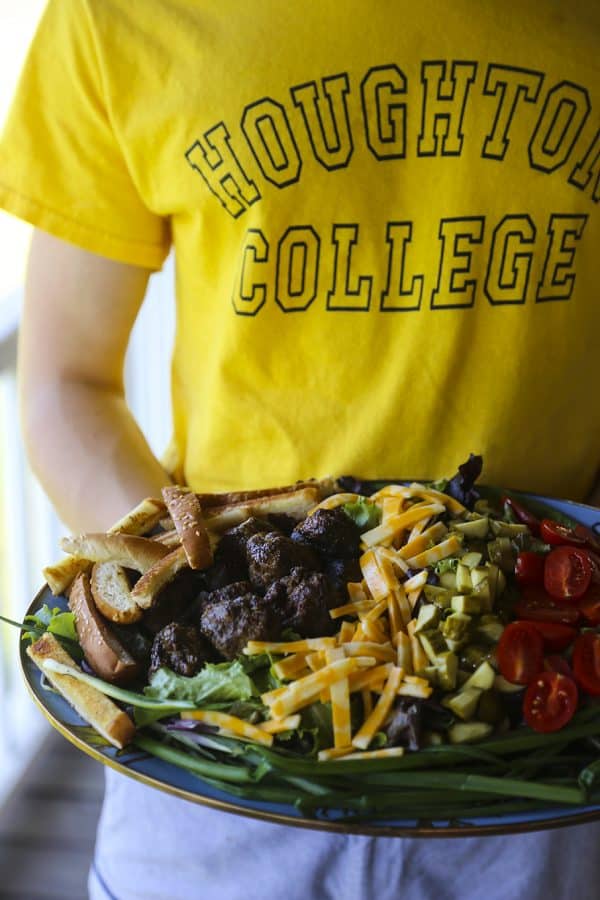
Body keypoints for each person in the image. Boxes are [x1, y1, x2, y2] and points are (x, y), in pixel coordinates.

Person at [1, 1, 599, 898]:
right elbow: (66, 382)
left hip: (538, 755)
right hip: (221, 773)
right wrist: (197, 620)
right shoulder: (116, 14)